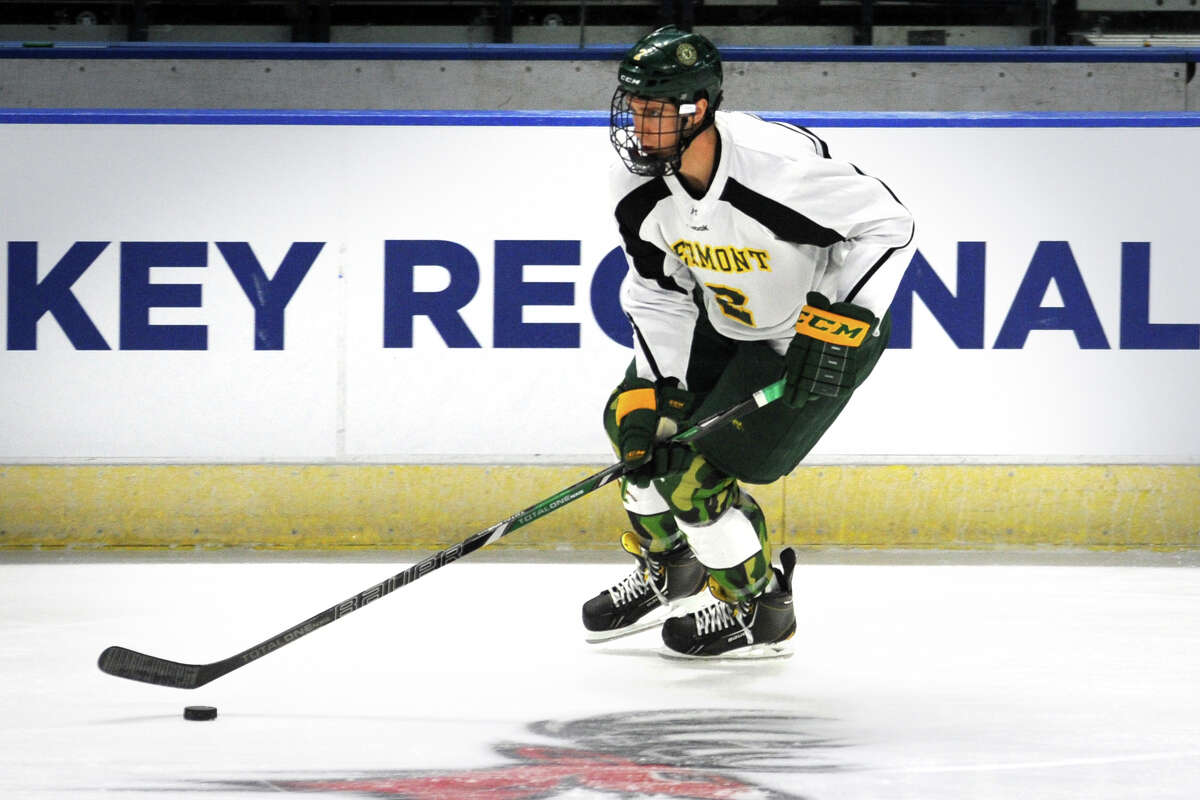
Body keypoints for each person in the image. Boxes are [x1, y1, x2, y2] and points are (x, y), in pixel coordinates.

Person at [581, 26, 916, 659]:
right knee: (638, 433)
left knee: (693, 481)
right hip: (723, 316)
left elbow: (890, 225)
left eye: (652, 111)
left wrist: (842, 319)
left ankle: (760, 609)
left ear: (698, 110)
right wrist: (664, 390)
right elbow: (657, 290)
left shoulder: (777, 174)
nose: (635, 125)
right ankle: (672, 568)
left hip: (809, 340)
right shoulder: (637, 185)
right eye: (633, 108)